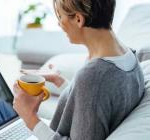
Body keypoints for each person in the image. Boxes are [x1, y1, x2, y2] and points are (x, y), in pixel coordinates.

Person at [13, 0, 145, 140]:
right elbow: (96, 104)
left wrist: (30, 119)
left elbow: (94, 89)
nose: (59, 24)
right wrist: (62, 82)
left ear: (78, 19)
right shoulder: (128, 55)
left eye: (60, 16)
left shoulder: (93, 77)